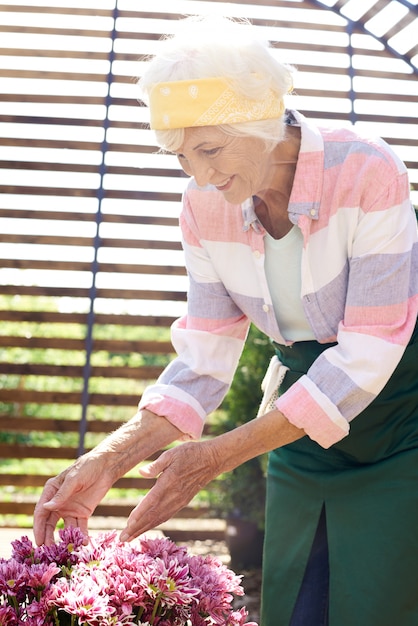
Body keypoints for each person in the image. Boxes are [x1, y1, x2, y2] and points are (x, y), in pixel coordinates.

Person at [33, 15, 418, 626]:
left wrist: (219, 454)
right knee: (298, 609)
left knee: (384, 606)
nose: (201, 176)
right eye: (183, 156)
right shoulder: (204, 206)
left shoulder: (368, 171)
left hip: (404, 423)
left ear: (260, 121)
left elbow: (369, 350)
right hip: (299, 430)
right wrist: (109, 458)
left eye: (210, 149)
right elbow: (204, 354)